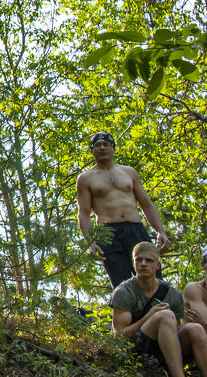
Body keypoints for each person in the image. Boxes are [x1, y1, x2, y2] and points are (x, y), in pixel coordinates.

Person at [76, 131, 170, 288]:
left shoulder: (129, 172)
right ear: (92, 150)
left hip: (134, 228)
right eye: (98, 145)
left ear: (113, 149)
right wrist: (90, 241)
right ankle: (128, 312)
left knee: (154, 279)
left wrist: (161, 231)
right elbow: (83, 213)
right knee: (122, 284)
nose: (102, 148)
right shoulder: (86, 178)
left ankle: (161, 311)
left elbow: (146, 204)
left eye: (106, 144)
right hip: (108, 233)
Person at [109, 242, 206, 376]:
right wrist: (149, 317)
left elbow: (176, 332)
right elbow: (118, 336)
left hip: (167, 352)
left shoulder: (173, 294)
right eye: (139, 260)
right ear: (133, 262)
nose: (143, 264)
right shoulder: (124, 292)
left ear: (157, 265)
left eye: (149, 260)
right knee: (165, 315)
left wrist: (189, 323)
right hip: (136, 352)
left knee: (195, 328)